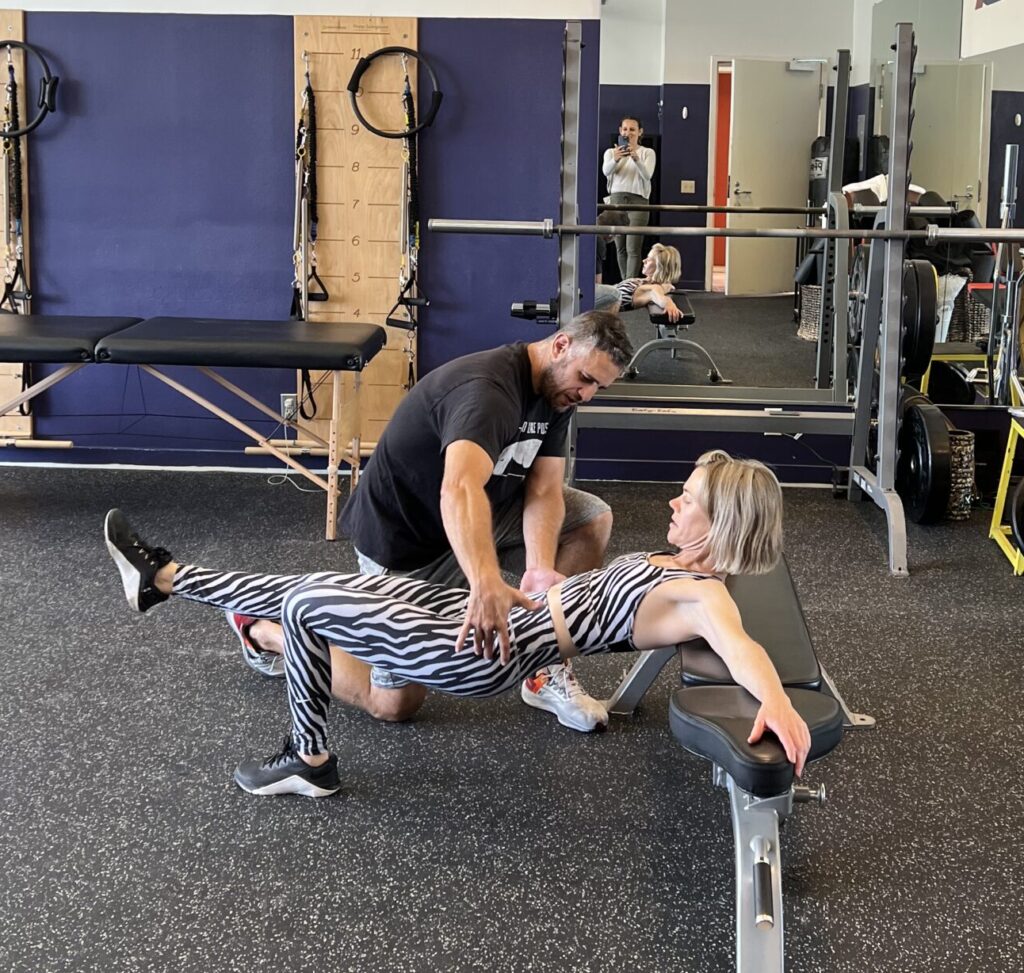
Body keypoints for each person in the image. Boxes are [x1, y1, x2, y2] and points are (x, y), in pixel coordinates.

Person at [104, 450, 812, 799]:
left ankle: (310, 759)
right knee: (306, 587)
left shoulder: (702, 593)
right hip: (492, 611)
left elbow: (738, 642)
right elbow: (605, 602)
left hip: (479, 650)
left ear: (721, 523)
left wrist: (776, 702)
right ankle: (162, 575)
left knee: (304, 602)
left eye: (687, 500)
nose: (673, 503)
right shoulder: (676, 563)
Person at [231, 311, 633, 734]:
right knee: (394, 704)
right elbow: (458, 489)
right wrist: (485, 582)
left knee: (590, 520)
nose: (587, 395)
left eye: (598, 388)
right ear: (560, 346)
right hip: (406, 545)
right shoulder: (488, 390)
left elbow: (544, 490)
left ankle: (543, 666)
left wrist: (537, 568)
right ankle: (265, 629)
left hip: (483, 514)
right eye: (586, 379)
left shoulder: (557, 394)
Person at [602, 116, 656, 279]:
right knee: (620, 248)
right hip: (616, 201)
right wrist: (616, 159)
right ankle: (626, 286)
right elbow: (606, 171)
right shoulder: (611, 152)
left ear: (640, 132)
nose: (628, 133)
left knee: (633, 248)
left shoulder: (647, 153)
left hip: (638, 202)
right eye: (625, 129)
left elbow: (647, 175)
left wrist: (635, 157)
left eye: (632, 129)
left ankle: (630, 288)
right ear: (620, 131)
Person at [615, 243, 685, 323]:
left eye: (649, 259)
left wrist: (668, 303)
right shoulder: (646, 281)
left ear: (660, 267)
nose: (644, 261)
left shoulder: (653, 288)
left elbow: (654, 294)